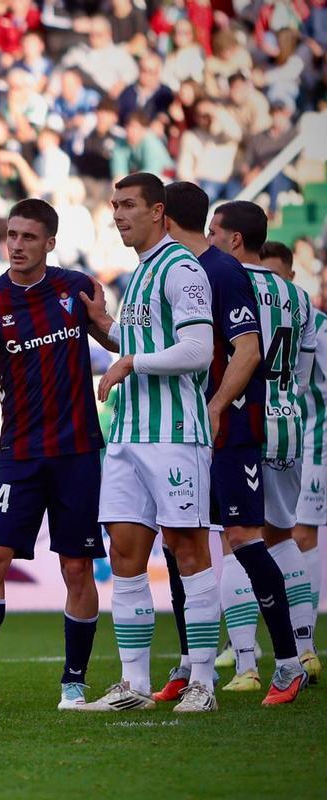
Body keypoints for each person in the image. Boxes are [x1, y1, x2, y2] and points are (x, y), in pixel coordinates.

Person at [0, 199, 107, 712]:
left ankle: (73, 685)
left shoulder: (75, 288)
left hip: (77, 451)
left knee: (77, 568)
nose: (16, 244)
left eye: (29, 237)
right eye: (11, 235)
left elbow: (118, 340)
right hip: (19, 452)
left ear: (49, 242)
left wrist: (105, 321)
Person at [152, 183, 305, 706]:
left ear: (163, 217)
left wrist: (215, 407)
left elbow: (247, 350)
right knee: (179, 540)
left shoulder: (219, 270)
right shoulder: (171, 271)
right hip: (186, 433)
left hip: (230, 430)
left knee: (244, 537)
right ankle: (194, 663)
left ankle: (287, 662)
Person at [80, 172, 219, 713]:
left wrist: (131, 360)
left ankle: (202, 682)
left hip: (174, 435)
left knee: (188, 549)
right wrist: (104, 330)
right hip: (127, 435)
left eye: (129, 205)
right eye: (114, 205)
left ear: (159, 212)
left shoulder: (183, 268)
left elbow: (197, 351)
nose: (118, 214)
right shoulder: (139, 274)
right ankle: (134, 686)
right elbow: (139, 344)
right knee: (125, 555)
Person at [207, 204, 318, 687]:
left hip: (241, 423)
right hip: (287, 421)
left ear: (234, 241)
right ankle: (306, 648)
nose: (207, 241)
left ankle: (248, 665)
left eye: (214, 232)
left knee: (236, 541)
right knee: (280, 534)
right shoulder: (299, 296)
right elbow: (306, 371)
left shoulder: (225, 285)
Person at [261, 240, 324, 683]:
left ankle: (302, 647)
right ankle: (256, 649)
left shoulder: (315, 322)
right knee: (269, 537)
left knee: (295, 537)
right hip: (288, 436)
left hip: (309, 443)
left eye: (277, 279)